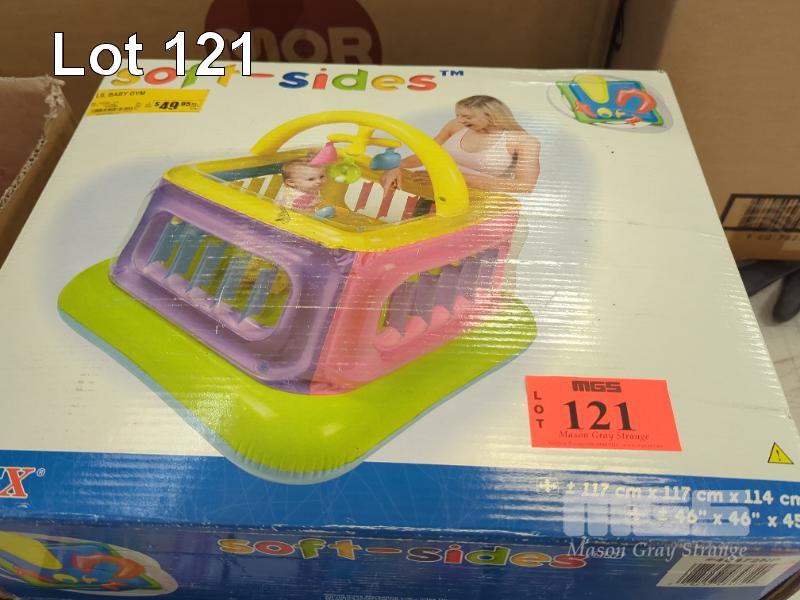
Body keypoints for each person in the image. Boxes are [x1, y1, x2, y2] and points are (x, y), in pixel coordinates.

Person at [381, 95, 540, 215]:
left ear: (490, 116)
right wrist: (396, 166)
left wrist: (457, 178)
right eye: (458, 115)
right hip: (437, 194)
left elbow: (525, 186)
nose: (460, 120)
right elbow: (426, 154)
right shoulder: (456, 126)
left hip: (481, 207)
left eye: (467, 117)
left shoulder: (523, 141)